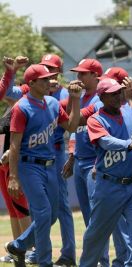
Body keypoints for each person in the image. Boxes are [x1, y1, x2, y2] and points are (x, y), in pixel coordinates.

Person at [5, 64, 81, 267]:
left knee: (53, 214)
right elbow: (14, 144)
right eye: (44, 79)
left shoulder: (53, 104)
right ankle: (44, 262)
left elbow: (72, 126)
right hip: (29, 166)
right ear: (31, 83)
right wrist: (13, 176)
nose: (49, 82)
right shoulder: (21, 107)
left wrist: (75, 99)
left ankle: (19, 245)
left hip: (50, 166)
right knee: (44, 213)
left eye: (50, 78)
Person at [80, 78, 132, 267]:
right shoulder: (95, 119)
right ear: (102, 97)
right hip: (109, 186)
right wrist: (131, 144)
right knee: (96, 235)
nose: (117, 96)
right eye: (112, 93)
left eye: (119, 92)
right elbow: (106, 142)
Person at [37, 54, 76, 266]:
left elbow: (71, 124)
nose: (48, 71)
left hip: (56, 152)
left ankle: (68, 253)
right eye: (44, 67)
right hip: (36, 157)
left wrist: (72, 153)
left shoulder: (63, 94)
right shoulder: (36, 91)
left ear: (59, 72)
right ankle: (37, 250)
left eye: (52, 68)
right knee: (40, 206)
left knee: (61, 206)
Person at [0, 56, 31, 264]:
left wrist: (10, 156)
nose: (15, 91)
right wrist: (11, 71)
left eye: (20, 89)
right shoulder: (10, 109)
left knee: (21, 207)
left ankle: (28, 249)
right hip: (2, 165)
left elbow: (21, 139)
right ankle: (15, 248)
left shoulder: (25, 109)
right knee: (12, 209)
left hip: (13, 163)